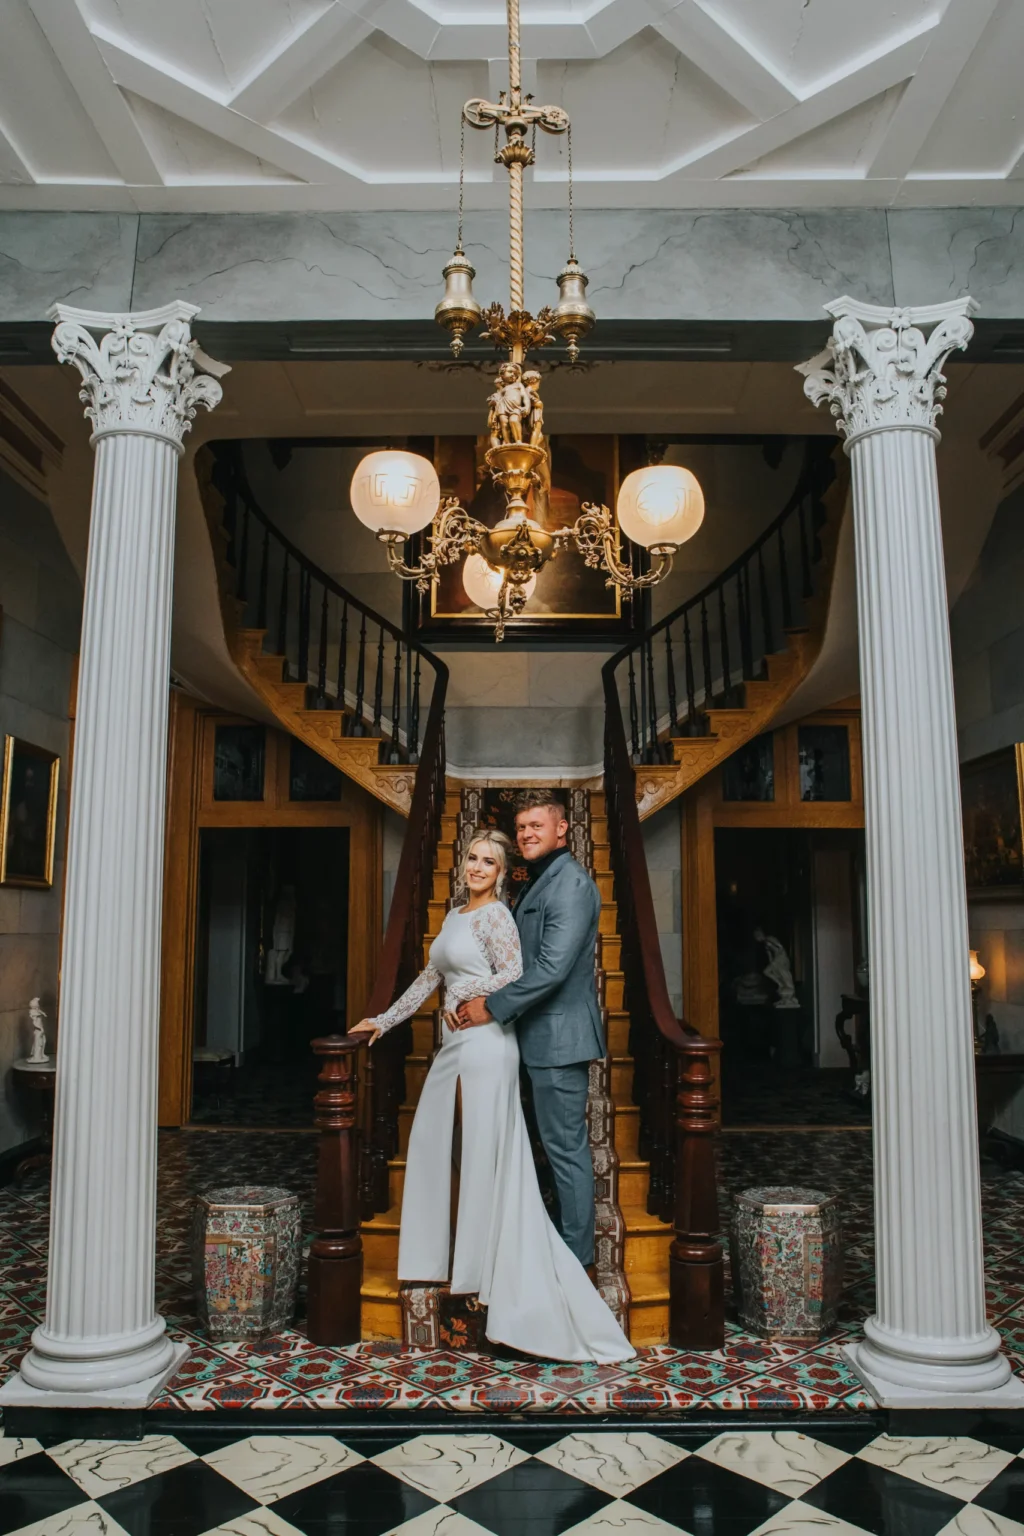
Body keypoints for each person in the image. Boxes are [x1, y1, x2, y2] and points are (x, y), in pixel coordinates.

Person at [349, 828, 631, 1362]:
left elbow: (517, 973)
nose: (477, 867)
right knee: (436, 1145)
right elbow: (429, 976)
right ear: (463, 865)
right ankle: (440, 1258)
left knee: (484, 1154)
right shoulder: (456, 915)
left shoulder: (498, 916)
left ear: (502, 874)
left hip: (486, 1044)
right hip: (455, 1046)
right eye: (472, 858)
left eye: (488, 862)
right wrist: (383, 1021)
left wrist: (474, 998)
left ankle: (483, 1271)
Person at [457, 790, 605, 1275]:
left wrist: (491, 1008)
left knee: (565, 1151)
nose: (526, 835)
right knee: (554, 1148)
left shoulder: (571, 884)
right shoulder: (542, 880)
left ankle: (577, 1262)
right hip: (535, 1037)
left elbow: (551, 968)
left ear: (563, 828)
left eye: (536, 826)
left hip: (559, 1041)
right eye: (521, 828)